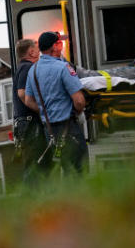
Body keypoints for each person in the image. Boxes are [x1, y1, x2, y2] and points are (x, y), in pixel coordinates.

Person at [24, 31, 87, 174]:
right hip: (69, 129)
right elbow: (79, 101)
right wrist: (78, 112)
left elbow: (28, 100)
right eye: (59, 43)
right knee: (80, 171)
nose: (61, 46)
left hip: (50, 131)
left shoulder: (32, 71)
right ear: (54, 47)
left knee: (67, 171)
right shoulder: (63, 68)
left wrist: (46, 110)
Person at [11, 38, 47, 184]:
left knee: (34, 162)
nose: (39, 52)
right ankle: (33, 196)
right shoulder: (27, 68)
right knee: (34, 162)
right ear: (31, 52)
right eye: (37, 49)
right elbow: (22, 93)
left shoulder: (22, 67)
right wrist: (42, 111)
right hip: (31, 125)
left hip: (25, 124)